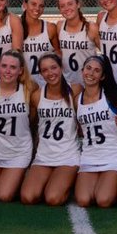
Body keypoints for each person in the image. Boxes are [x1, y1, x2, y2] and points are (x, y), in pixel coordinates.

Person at [20, 53, 80, 206]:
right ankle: (55, 181)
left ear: (61, 68)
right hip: (44, 156)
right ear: (40, 73)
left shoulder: (75, 90)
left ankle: (69, 182)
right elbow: (33, 126)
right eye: (45, 70)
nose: (50, 73)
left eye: (54, 68)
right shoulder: (37, 96)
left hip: (68, 156)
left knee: (53, 198)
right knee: (28, 197)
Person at [0, 49, 37, 201]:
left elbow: (33, 117)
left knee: (4, 195)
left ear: (20, 70)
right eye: (4, 66)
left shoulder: (30, 88)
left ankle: (23, 176)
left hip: (18, 151)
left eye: (13, 67)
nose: (8, 71)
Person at [74, 55, 117, 208]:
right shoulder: (77, 99)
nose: (91, 73)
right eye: (88, 68)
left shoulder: (113, 95)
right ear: (82, 70)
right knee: (83, 200)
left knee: (103, 200)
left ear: (102, 76)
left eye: (97, 71)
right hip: (89, 155)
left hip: (113, 154)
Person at [56, 0, 98, 87]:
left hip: (89, 84)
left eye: (70, 4)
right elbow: (59, 52)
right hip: (67, 83)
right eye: (62, 6)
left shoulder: (91, 28)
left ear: (78, 4)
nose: (67, 8)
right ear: (59, 10)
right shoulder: (59, 26)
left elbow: (105, 53)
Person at [19, 0, 61, 86]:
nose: (37, 8)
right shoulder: (17, 27)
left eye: (41, 6)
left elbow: (58, 53)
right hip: (24, 83)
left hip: (47, 83)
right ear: (25, 5)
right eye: (33, 4)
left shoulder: (50, 28)